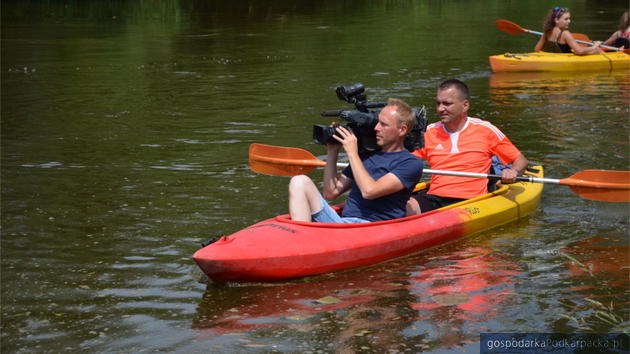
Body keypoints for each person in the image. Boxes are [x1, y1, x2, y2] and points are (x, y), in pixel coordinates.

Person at [288, 98, 423, 223]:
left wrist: (352, 153)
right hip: (345, 224)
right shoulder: (366, 157)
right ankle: (300, 237)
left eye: (383, 124)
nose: (376, 128)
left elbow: (369, 191)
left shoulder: (410, 163)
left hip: (371, 228)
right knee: (299, 181)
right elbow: (331, 192)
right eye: (377, 123)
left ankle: (301, 240)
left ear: (402, 130)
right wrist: (332, 150)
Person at [407, 79, 529, 214]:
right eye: (438, 103)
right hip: (434, 198)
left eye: (447, 104)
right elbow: (403, 160)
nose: (440, 109)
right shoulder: (429, 132)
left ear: (465, 105)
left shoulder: (485, 130)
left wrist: (514, 172)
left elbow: (521, 161)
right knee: (402, 207)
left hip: (471, 202)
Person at [534, 7, 603, 55]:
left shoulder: (546, 32)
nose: (569, 21)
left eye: (569, 19)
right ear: (556, 20)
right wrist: (594, 46)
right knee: (597, 50)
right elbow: (579, 51)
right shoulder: (565, 34)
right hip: (565, 60)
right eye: (566, 19)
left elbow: (536, 49)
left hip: (555, 58)